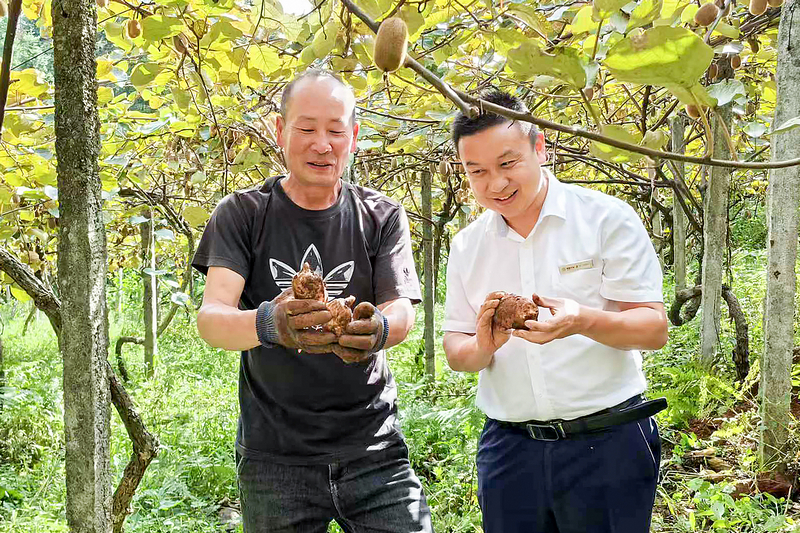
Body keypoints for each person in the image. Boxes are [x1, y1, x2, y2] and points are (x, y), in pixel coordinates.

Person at [193, 69, 433, 532]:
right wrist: (273, 325)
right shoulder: (243, 213)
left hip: (373, 448)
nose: (321, 144)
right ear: (279, 131)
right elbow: (213, 317)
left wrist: (378, 329)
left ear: (353, 137)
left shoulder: (381, 215)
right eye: (306, 128)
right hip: (275, 458)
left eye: (335, 130)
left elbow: (401, 309)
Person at [442, 89, 669, 533]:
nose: (495, 184)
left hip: (607, 443)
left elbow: (652, 328)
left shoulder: (605, 219)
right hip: (510, 451)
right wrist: (484, 344)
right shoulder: (468, 246)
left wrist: (582, 320)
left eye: (508, 164)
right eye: (477, 172)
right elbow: (456, 349)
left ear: (539, 146)